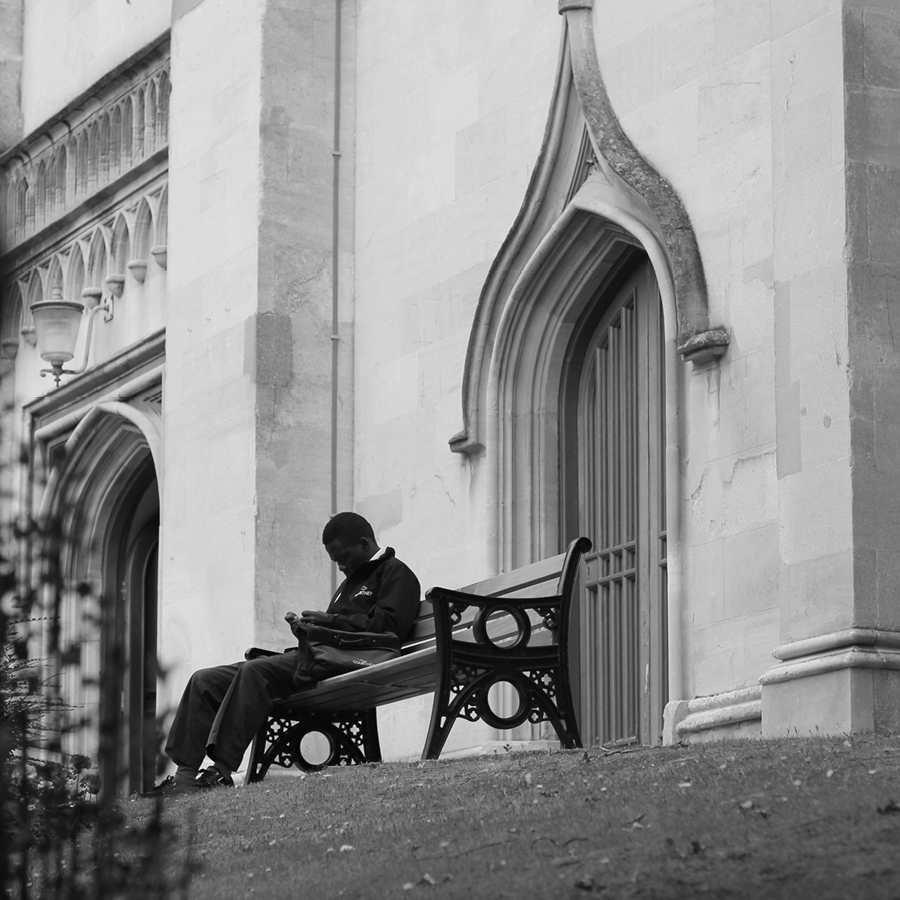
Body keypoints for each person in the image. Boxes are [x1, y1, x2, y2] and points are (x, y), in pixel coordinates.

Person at [148, 512, 420, 795]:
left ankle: (221, 771)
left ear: (364, 544)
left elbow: (389, 628)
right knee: (205, 680)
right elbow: (338, 631)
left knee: (256, 671)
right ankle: (185, 778)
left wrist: (326, 623)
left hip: (351, 664)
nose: (340, 566)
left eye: (343, 557)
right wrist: (307, 629)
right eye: (334, 560)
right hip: (315, 658)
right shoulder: (350, 581)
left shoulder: (395, 572)